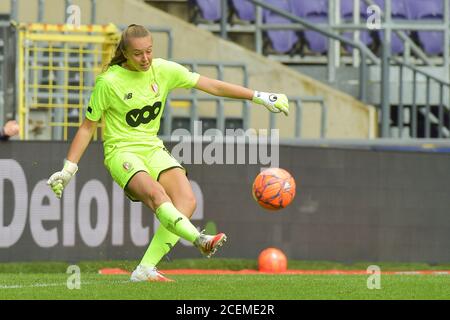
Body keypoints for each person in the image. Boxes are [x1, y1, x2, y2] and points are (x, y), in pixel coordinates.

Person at [47, 24, 289, 282]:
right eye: (138, 53)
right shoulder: (108, 82)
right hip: (122, 151)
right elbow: (86, 128)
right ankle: (199, 238)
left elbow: (212, 86)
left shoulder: (163, 70)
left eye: (149, 51)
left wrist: (260, 96)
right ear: (125, 54)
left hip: (152, 147)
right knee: (156, 195)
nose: (146, 58)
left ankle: (144, 270)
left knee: (187, 202)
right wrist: (68, 168)